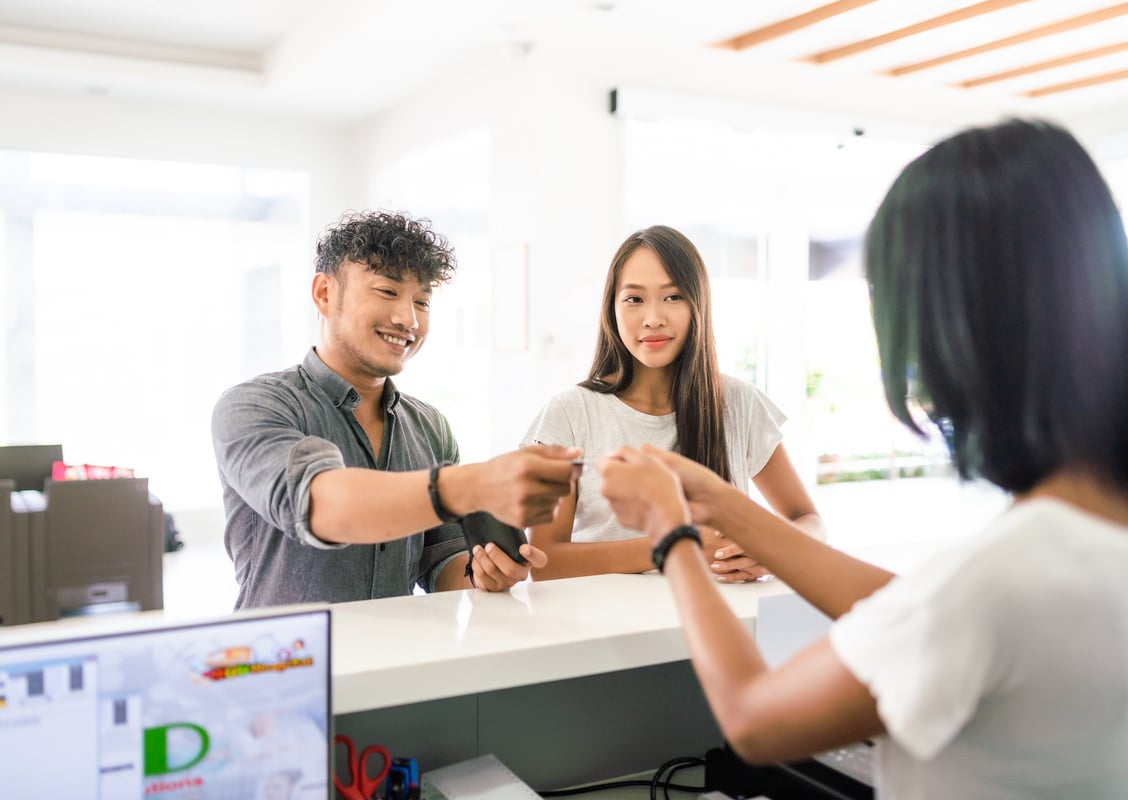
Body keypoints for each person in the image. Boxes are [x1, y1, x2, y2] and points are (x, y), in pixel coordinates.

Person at [597, 119, 1128, 798]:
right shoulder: (1069, 547)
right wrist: (726, 504)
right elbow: (909, 603)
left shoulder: (995, 582)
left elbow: (753, 722)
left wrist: (671, 534)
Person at [212, 210, 578, 609]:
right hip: (289, 662)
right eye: (387, 292)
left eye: (422, 301)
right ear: (324, 293)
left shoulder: (430, 425)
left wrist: (484, 573)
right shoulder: (255, 405)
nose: (408, 319)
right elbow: (325, 506)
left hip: (396, 662)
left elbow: (442, 562)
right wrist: (474, 485)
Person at [522, 224, 824, 581]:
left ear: (699, 304)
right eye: (634, 299)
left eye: (673, 296)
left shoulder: (738, 402)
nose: (653, 318)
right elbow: (545, 563)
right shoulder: (570, 413)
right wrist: (675, 545)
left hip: (723, 629)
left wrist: (769, 551)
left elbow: (809, 521)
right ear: (611, 309)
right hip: (606, 631)